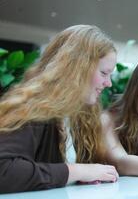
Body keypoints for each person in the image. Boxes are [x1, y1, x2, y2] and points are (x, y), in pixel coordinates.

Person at [0, 25, 119, 193]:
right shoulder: (33, 107)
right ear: (77, 69)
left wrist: (78, 176)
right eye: (104, 73)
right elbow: (4, 171)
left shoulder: (81, 112)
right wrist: (76, 171)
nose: (108, 83)